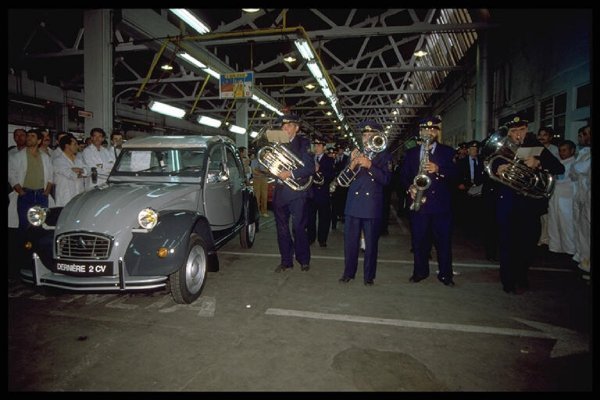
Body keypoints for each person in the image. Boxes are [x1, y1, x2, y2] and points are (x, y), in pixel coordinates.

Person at [486, 115, 565, 294]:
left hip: (530, 207)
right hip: (508, 206)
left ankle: (521, 275)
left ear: (527, 129)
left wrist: (539, 162)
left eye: (521, 130)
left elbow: (559, 168)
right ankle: (508, 280)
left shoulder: (537, 148)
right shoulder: (501, 150)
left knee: (528, 245)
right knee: (508, 244)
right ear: (509, 133)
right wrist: (499, 169)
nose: (518, 134)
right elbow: (491, 167)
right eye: (513, 131)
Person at [399, 116, 458, 286]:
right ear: (420, 132)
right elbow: (403, 177)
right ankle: (420, 272)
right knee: (419, 241)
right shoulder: (410, 154)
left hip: (441, 206)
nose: (429, 132)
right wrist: (410, 187)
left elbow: (456, 175)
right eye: (426, 129)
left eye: (433, 129)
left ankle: (446, 274)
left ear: (437, 132)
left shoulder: (448, 152)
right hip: (419, 204)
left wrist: (438, 169)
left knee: (444, 242)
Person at [338, 120, 392, 286]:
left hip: (371, 206)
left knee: (370, 244)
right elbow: (342, 182)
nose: (366, 138)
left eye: (370, 135)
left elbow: (387, 180)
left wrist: (370, 166)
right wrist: (352, 164)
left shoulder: (384, 156)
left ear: (377, 136)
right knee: (350, 243)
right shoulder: (354, 153)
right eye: (364, 135)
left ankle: (369, 276)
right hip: (353, 204)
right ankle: (349, 273)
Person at [270, 114, 315, 272]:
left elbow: (309, 168)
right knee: (282, 229)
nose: (284, 128)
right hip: (280, 192)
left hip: (297, 192)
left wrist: (290, 174)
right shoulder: (277, 143)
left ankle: (303, 259)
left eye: (288, 125)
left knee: (298, 227)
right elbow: (270, 165)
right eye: (283, 126)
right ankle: (286, 260)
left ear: (297, 128)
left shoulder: (304, 143)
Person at [547, 140, 576, 255]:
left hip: (566, 198)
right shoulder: (559, 163)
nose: (562, 153)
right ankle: (555, 247)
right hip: (555, 197)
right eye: (560, 150)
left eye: (564, 150)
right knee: (553, 223)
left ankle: (569, 249)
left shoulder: (574, 163)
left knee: (566, 225)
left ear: (572, 151)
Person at [570, 125, 591, 279]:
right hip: (582, 196)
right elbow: (573, 172)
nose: (581, 137)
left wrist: (577, 168)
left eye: (584, 134)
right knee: (581, 230)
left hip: (588, 197)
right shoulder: (583, 152)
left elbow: (580, 168)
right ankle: (583, 260)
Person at [308, 138, 335, 247]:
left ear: (324, 147)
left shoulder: (329, 160)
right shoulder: (309, 159)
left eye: (319, 146)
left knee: (324, 217)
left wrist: (319, 171)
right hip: (311, 192)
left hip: (323, 192)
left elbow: (331, 175)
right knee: (310, 217)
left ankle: (322, 239)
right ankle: (310, 238)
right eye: (315, 145)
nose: (316, 148)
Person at [250, 150, 270, 217]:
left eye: (264, 152)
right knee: (257, 196)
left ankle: (264, 211)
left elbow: (268, 171)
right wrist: (263, 171)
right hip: (256, 179)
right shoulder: (254, 161)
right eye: (262, 152)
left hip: (264, 179)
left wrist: (260, 171)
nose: (263, 154)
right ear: (258, 153)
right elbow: (254, 171)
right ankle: (257, 212)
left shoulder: (266, 161)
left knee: (264, 196)